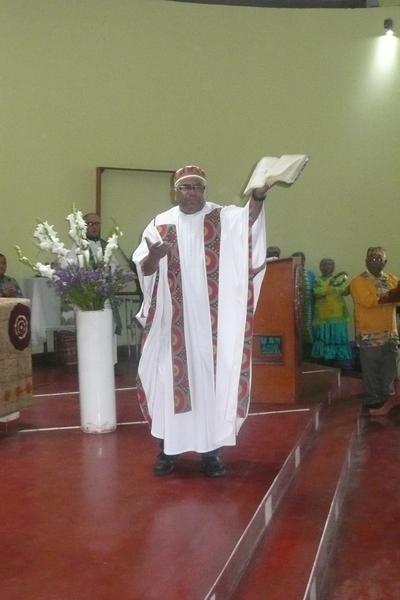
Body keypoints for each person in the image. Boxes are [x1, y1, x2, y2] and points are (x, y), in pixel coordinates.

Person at [132, 164, 270, 477]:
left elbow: (248, 220)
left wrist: (259, 195)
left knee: (211, 384)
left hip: (213, 325)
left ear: (204, 191)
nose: (192, 192)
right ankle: (167, 451)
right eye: (186, 187)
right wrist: (155, 256)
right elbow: (145, 268)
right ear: (175, 192)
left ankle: (211, 453)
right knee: (168, 384)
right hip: (172, 323)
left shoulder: (221, 217)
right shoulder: (160, 224)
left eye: (198, 187)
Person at [350, 246, 400, 416]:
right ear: (366, 261)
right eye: (372, 258)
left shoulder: (392, 279)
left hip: (390, 334)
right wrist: (391, 296)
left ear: (385, 262)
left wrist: (394, 296)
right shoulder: (358, 282)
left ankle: (388, 400)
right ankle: (373, 400)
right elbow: (369, 301)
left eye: (379, 259)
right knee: (371, 370)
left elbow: (397, 302)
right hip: (369, 334)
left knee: (390, 369)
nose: (375, 261)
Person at [311, 257, 352, 364]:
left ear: (333, 267)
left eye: (330, 264)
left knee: (338, 342)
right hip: (323, 319)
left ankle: (337, 366)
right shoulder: (317, 280)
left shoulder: (338, 280)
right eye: (324, 264)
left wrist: (352, 286)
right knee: (323, 341)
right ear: (320, 267)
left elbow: (344, 292)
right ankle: (324, 365)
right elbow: (318, 293)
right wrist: (330, 284)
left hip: (339, 318)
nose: (327, 267)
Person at [291, 251, 315, 359]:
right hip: (293, 309)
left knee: (307, 331)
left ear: (304, 261)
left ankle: (307, 358)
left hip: (308, 308)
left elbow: (314, 291)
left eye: (300, 260)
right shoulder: (289, 273)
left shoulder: (310, 275)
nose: (298, 262)